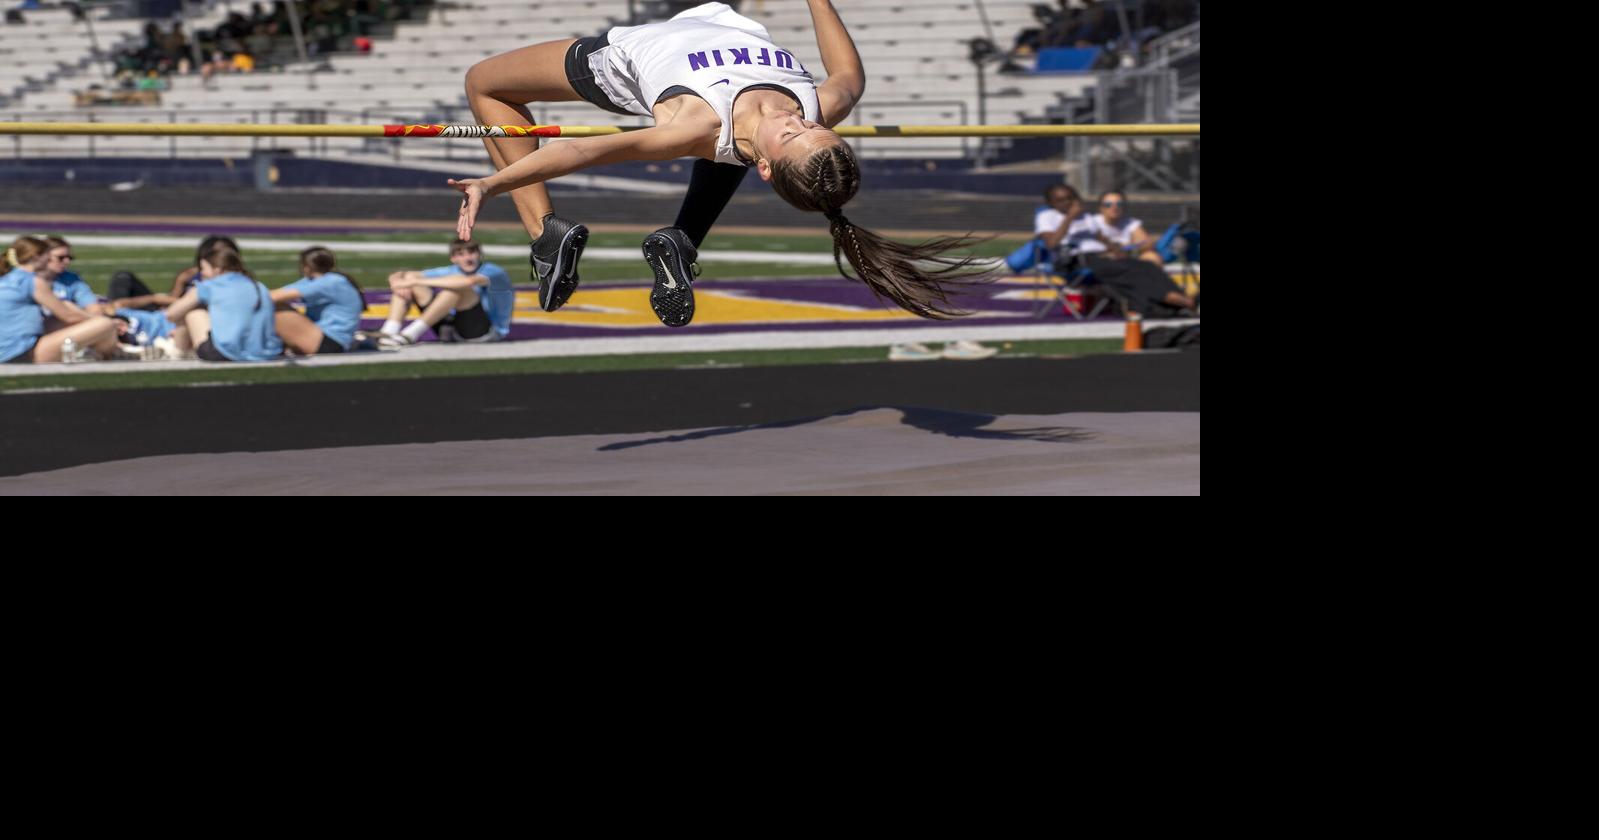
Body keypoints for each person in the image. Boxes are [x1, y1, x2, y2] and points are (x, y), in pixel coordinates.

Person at [451, 0, 991, 328]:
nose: (797, 120)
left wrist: (492, 184)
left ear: (767, 168)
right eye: (813, 127)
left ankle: (545, 233)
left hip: (623, 58)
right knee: (745, 136)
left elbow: (580, 151)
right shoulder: (815, 107)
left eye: (794, 134)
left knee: (484, 81)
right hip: (714, 30)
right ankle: (682, 240)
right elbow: (848, 76)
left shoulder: (692, 127)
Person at [1, 237, 124, 364]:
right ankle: (107, 356)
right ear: (36, 257)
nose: (48, 261)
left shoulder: (10, 278)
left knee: (66, 314)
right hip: (20, 353)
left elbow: (64, 312)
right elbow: (68, 316)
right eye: (47, 256)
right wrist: (109, 322)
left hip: (9, 348)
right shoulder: (32, 280)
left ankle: (101, 352)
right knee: (105, 325)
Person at [377, 238, 513, 347]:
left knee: (456, 288)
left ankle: (409, 335)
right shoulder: (453, 270)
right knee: (408, 281)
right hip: (452, 327)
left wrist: (414, 282)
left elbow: (468, 282)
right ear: (453, 258)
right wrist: (396, 280)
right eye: (461, 254)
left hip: (484, 331)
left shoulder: (493, 271)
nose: (467, 258)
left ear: (480, 254)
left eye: (472, 252)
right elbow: (405, 275)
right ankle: (388, 332)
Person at [164, 241, 284, 362]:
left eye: (204, 268)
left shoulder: (209, 286)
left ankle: (179, 352)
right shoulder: (258, 286)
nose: (201, 273)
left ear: (217, 270)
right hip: (266, 351)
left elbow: (171, 314)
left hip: (224, 353)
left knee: (192, 311)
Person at [271, 246, 366, 355]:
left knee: (274, 306)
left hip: (331, 343)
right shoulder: (317, 280)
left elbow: (272, 297)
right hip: (323, 338)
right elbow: (275, 293)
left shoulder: (331, 282)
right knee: (272, 304)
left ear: (307, 266)